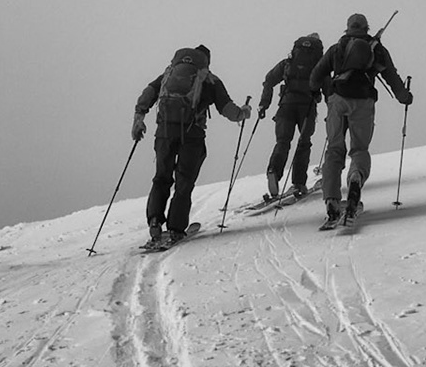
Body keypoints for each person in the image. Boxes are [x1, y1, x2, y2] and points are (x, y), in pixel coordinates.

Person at [132, 44, 251, 246]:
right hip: (192, 135)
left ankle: (154, 220)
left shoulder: (168, 75)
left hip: (164, 133)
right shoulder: (210, 79)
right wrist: (243, 112)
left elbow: (147, 95)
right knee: (184, 182)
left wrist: (138, 119)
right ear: (206, 62)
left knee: (161, 177)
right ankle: (176, 229)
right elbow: (227, 109)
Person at [309, 13, 412, 226]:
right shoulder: (376, 49)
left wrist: (317, 92)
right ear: (366, 27)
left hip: (338, 101)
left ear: (348, 28)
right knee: (359, 149)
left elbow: (316, 75)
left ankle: (331, 200)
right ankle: (355, 178)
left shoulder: (337, 48)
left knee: (334, 150)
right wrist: (404, 97)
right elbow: (391, 76)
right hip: (363, 102)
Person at [256, 33, 325, 201]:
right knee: (304, 143)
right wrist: (334, 109)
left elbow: (269, 80)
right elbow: (328, 87)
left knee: (283, 141)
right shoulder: (319, 65)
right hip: (307, 107)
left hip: (286, 106)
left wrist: (264, 104)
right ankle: (299, 183)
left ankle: (274, 171)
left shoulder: (288, 63)